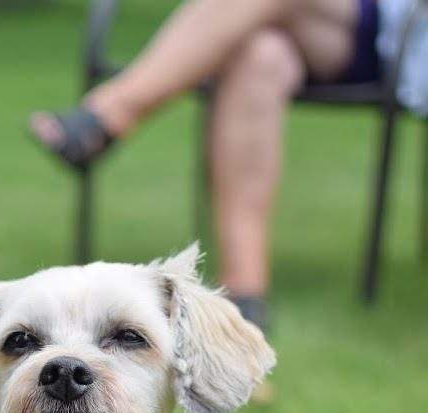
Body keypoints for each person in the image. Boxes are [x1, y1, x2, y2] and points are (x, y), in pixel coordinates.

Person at [28, 0, 426, 330]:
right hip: (338, 23)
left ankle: (113, 112)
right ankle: (243, 297)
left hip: (404, 32)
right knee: (260, 55)